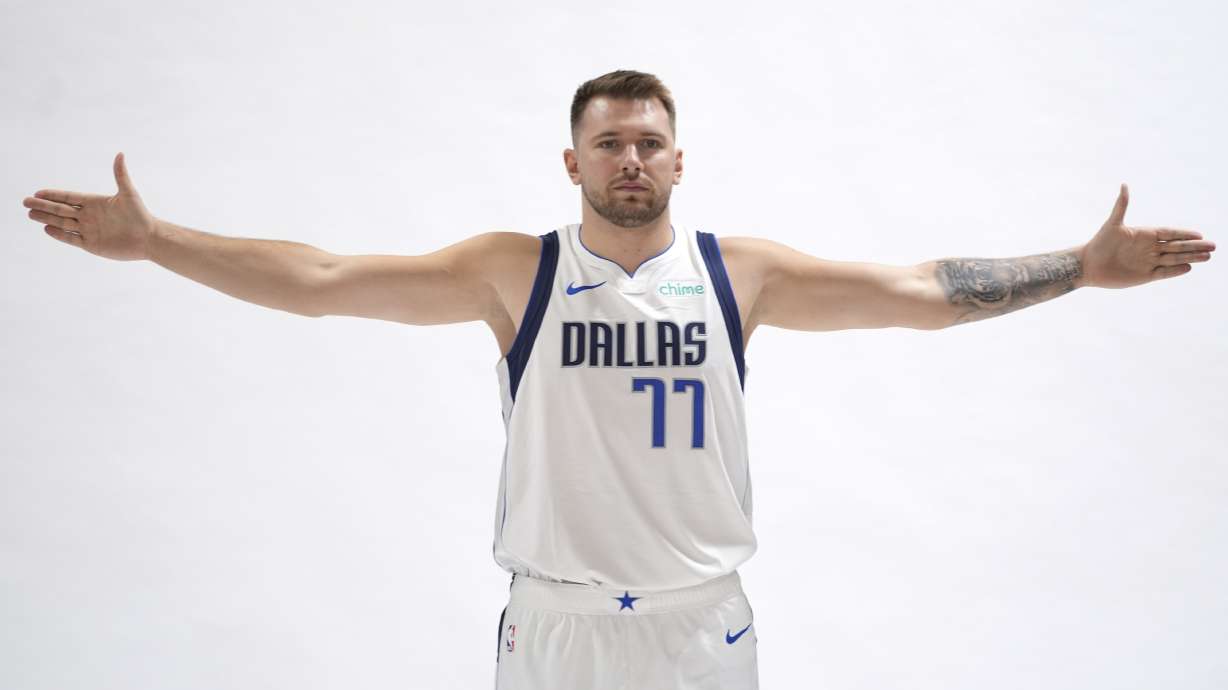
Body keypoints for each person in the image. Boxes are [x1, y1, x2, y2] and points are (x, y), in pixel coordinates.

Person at [22, 69, 1215, 689]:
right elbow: (326, 275)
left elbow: (918, 292)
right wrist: (159, 240)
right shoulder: (514, 272)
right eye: (609, 140)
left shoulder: (737, 274)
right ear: (572, 158)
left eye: (648, 140)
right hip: (559, 628)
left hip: (702, 630)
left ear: (678, 158)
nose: (630, 157)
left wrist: (1080, 268)